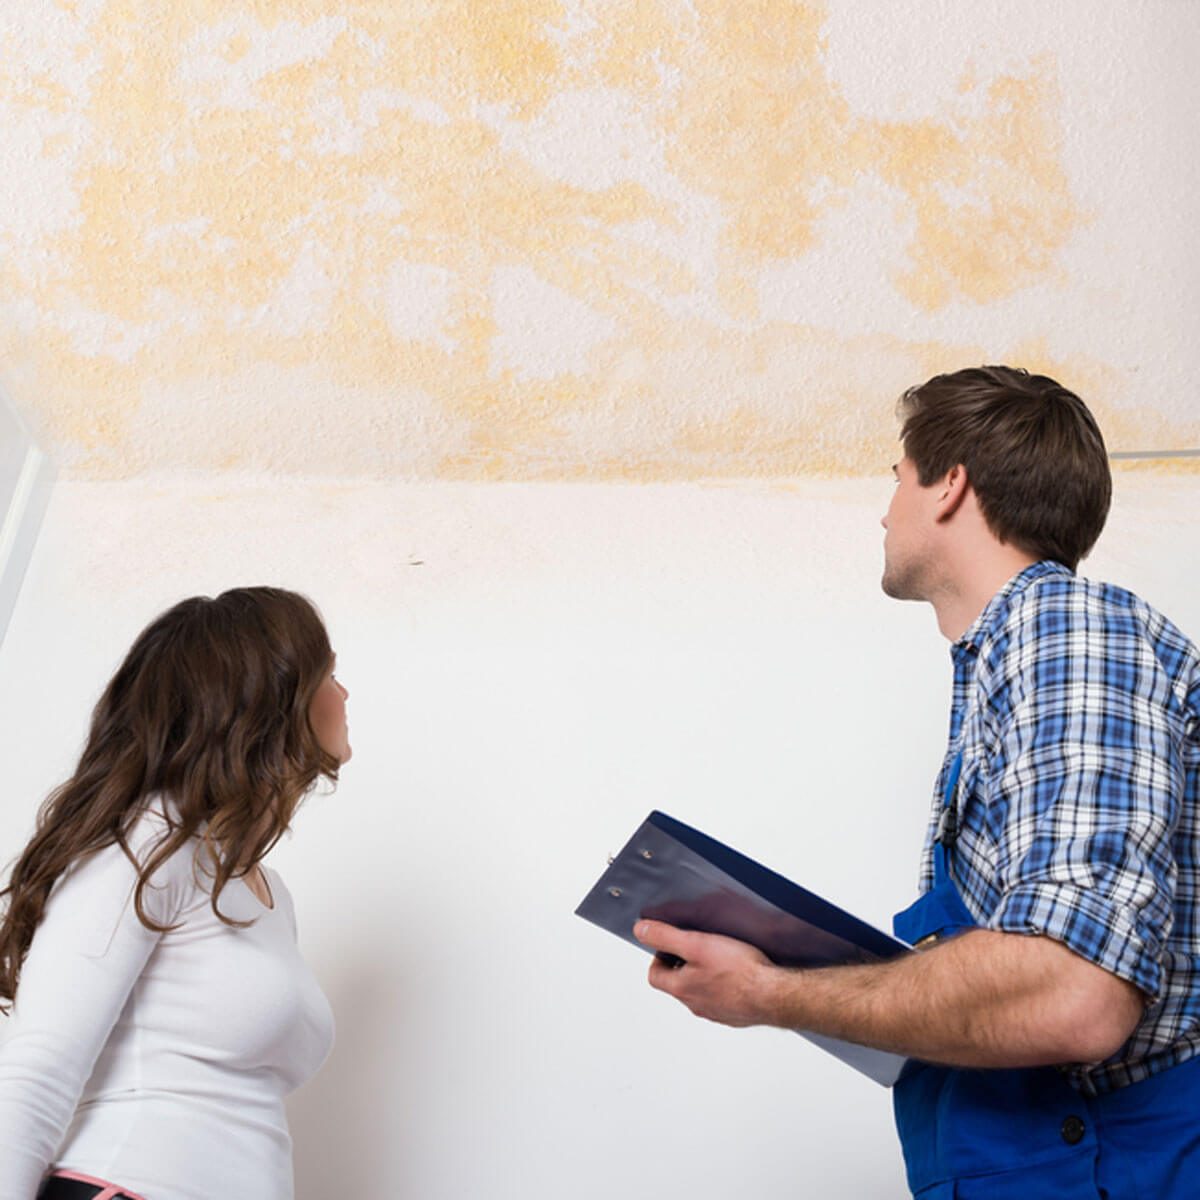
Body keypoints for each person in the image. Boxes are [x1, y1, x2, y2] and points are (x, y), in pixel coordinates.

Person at [635, 366, 1200, 1197]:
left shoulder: (1067, 630)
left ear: (950, 486)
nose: (884, 508)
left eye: (895, 477)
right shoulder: (1003, 665)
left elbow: (1077, 992)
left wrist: (773, 990)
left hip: (1107, 1166)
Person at [0, 587, 350, 1200]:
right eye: (329, 675)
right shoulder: (148, 843)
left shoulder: (267, 893)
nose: (343, 695)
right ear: (269, 702)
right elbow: (38, 1072)